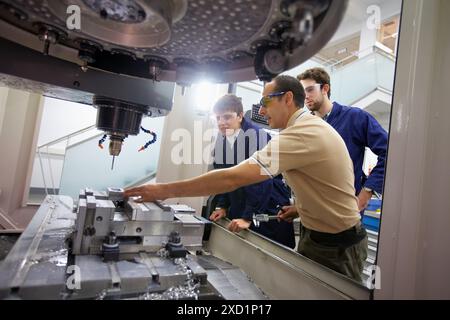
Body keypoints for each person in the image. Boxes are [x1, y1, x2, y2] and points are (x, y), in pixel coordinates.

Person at [125, 75, 368, 282]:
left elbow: (233, 178)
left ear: (288, 99)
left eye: (266, 102)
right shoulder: (302, 129)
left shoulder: (301, 133)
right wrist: (300, 209)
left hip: (337, 247)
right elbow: (322, 184)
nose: (261, 110)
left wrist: (164, 190)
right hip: (315, 235)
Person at [209, 94, 295, 248]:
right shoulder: (223, 139)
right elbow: (224, 176)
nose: (222, 123)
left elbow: (260, 181)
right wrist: (222, 206)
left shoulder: (256, 137)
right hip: (242, 203)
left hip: (266, 204)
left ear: (240, 116)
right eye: (218, 118)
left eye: (227, 117)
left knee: (267, 257)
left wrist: (248, 217)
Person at [298, 68, 388, 212]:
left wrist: (366, 192)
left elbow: (390, 151)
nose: (306, 96)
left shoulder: (355, 118)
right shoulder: (304, 126)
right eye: (303, 92)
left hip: (345, 213)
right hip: (312, 213)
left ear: (325, 88)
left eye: (310, 90)